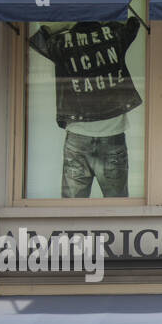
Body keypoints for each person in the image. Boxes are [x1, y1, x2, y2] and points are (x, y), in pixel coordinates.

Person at [27, 16, 142, 198]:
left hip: (77, 136)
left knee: (72, 210)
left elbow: (38, 40)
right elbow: (133, 24)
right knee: (117, 208)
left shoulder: (62, 44)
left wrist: (65, 23)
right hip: (113, 134)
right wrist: (105, 20)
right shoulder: (113, 36)